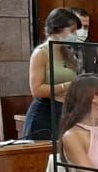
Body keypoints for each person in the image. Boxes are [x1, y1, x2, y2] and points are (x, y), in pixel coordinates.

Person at [24, 8, 82, 140]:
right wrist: (66, 86)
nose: (75, 34)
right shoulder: (41, 53)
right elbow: (36, 90)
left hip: (64, 111)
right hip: (45, 113)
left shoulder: (68, 53)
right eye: (72, 31)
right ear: (58, 28)